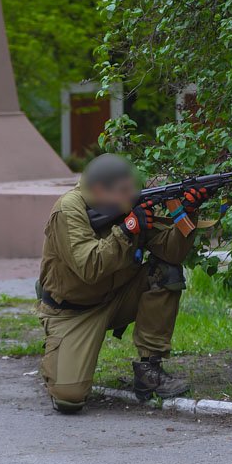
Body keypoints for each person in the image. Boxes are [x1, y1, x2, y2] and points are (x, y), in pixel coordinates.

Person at [35, 153, 208, 413]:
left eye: (132, 187)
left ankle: (149, 369)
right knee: (69, 399)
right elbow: (89, 268)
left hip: (117, 297)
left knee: (165, 272)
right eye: (123, 190)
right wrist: (127, 229)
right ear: (98, 190)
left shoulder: (128, 203)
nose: (131, 194)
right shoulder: (68, 210)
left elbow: (171, 253)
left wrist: (190, 211)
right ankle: (57, 350)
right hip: (72, 311)